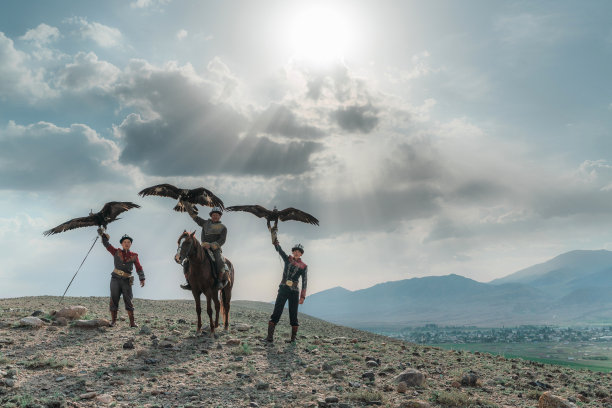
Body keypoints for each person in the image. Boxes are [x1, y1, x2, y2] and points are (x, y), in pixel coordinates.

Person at [266, 227, 308, 343]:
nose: (296, 252)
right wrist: (274, 237)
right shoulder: (287, 259)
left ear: (301, 254)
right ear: (292, 251)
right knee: (277, 311)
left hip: (294, 292)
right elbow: (279, 249)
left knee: (293, 314)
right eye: (294, 250)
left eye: (298, 251)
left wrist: (303, 296)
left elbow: (304, 281)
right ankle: (269, 337)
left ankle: (293, 339)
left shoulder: (304, 266)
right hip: (283, 289)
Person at [98, 228, 145, 327]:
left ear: (131, 244)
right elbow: (107, 244)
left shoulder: (134, 256)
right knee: (114, 299)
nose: (127, 243)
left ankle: (132, 323)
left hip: (127, 281)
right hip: (115, 279)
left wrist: (142, 278)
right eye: (125, 242)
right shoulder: (115, 252)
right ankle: (113, 321)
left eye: (128, 242)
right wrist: (103, 235)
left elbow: (139, 267)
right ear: (122, 244)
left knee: (128, 300)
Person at [181, 206, 229, 290]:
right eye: (213, 214)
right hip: (203, 247)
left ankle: (219, 281)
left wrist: (211, 245)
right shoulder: (205, 223)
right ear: (211, 215)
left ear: (220, 216)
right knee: (187, 260)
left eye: (217, 215)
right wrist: (187, 205)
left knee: (219, 260)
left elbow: (222, 240)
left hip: (215, 248)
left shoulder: (223, 227)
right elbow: (195, 217)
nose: (215, 216)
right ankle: (188, 282)